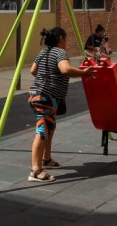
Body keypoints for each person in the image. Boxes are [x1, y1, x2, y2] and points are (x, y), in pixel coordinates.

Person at [28, 26, 96, 182]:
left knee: (50, 127)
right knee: (42, 131)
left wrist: (47, 76)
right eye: (66, 39)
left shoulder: (43, 52)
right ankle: (35, 171)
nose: (67, 42)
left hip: (37, 95)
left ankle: (46, 159)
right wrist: (84, 73)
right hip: (45, 97)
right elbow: (65, 70)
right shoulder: (60, 52)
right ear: (61, 39)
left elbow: (33, 71)